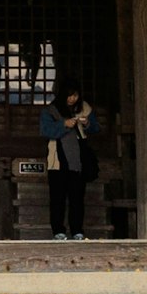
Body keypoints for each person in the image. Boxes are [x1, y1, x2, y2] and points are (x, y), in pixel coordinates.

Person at [42, 87, 100, 239]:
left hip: (78, 160)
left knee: (77, 197)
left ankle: (77, 230)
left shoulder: (84, 108)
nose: (72, 99)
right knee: (57, 197)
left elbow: (96, 128)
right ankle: (58, 231)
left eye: (75, 95)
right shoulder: (51, 111)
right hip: (57, 159)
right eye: (69, 95)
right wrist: (63, 125)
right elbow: (45, 130)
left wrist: (87, 123)